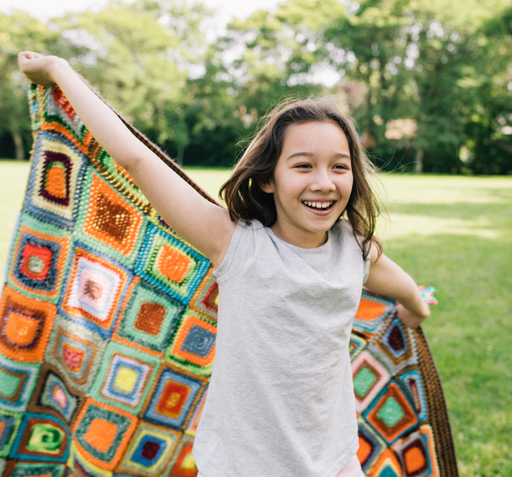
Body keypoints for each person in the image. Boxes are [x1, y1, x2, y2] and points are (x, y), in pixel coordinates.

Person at [18, 51, 430, 477]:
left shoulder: (355, 249)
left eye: (339, 167)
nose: (323, 182)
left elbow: (402, 286)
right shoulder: (234, 242)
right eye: (303, 165)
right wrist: (58, 71)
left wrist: (413, 309)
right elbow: (136, 160)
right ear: (268, 178)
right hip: (241, 464)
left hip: (334, 459)